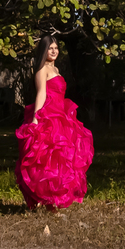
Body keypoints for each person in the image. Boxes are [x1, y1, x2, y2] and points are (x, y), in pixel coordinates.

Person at [14, 35, 94, 209]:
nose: (54, 51)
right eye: (50, 48)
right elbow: (41, 93)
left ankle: (54, 200)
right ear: (44, 50)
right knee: (46, 159)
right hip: (48, 116)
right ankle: (45, 199)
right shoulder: (42, 69)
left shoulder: (55, 69)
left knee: (62, 158)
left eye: (56, 48)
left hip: (61, 115)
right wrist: (35, 119)